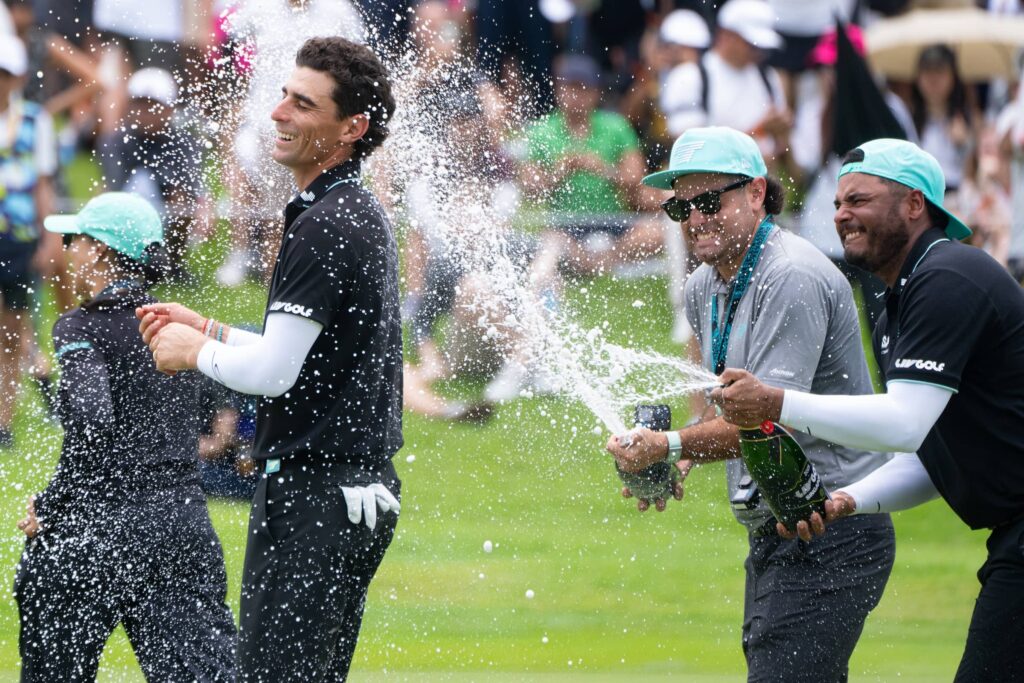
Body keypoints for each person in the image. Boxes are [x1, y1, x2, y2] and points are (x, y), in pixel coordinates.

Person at [136, 37, 403, 681]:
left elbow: (275, 375)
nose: (278, 112)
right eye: (283, 95)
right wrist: (213, 329)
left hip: (315, 498)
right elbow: (300, 358)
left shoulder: (326, 223)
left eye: (302, 103)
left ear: (351, 129)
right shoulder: (345, 208)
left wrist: (193, 350)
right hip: (348, 492)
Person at [713, 137, 1024, 681]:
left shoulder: (947, 278)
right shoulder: (894, 306)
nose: (841, 215)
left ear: (913, 205)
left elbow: (902, 424)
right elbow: (929, 453)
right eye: (836, 203)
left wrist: (774, 401)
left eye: (859, 200)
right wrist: (848, 500)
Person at [606, 127, 895, 682]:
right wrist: (679, 458)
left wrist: (666, 444)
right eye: (681, 207)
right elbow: (726, 406)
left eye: (711, 200)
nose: (695, 219)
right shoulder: (701, 286)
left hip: (831, 527)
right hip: (777, 528)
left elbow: (762, 422)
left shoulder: (790, 274)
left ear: (757, 193)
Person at [13, 192, 236, 681]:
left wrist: (50, 508)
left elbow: (92, 425)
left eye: (74, 239)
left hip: (95, 530)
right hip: (180, 525)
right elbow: (207, 424)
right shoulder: (179, 326)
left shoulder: (80, 327)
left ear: (96, 250)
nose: (67, 249)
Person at [0, 33, 58, 449]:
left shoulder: (36, 120)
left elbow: (43, 184)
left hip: (18, 238)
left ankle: (3, 420)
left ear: (18, 76)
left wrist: (49, 236)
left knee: (14, 332)